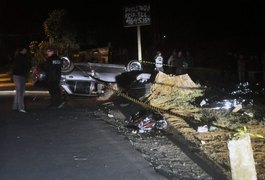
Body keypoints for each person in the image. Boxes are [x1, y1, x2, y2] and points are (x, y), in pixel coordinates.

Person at [11, 47, 32, 113]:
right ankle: (21, 108)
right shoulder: (23, 57)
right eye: (25, 49)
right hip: (20, 76)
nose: (26, 51)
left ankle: (15, 106)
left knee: (18, 91)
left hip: (16, 75)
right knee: (21, 92)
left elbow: (14, 67)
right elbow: (27, 65)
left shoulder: (17, 56)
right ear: (23, 50)